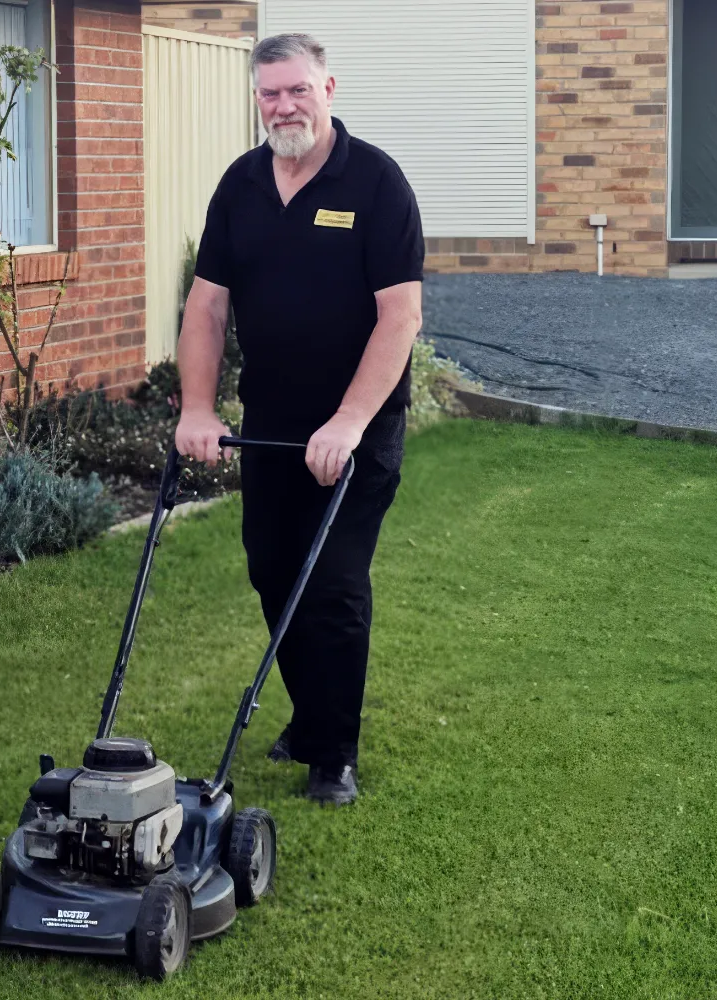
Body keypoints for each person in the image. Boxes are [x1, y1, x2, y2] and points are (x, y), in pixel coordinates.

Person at [174, 32, 424, 805]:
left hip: (357, 430)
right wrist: (197, 408)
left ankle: (332, 753)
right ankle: (311, 713)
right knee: (272, 569)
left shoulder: (377, 183)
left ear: (328, 89)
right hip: (272, 425)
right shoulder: (241, 186)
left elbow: (401, 317)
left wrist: (349, 421)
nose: (284, 106)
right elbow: (208, 307)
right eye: (269, 93)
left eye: (298, 90)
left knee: (335, 581)